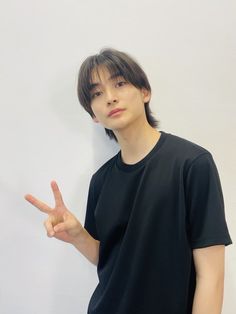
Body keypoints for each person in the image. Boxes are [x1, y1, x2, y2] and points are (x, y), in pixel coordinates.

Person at [25, 48, 232, 314]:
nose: (110, 98)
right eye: (97, 94)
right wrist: (78, 236)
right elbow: (110, 259)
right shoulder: (100, 180)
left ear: (145, 92)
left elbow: (211, 277)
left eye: (120, 84)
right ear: (93, 115)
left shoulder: (192, 164)